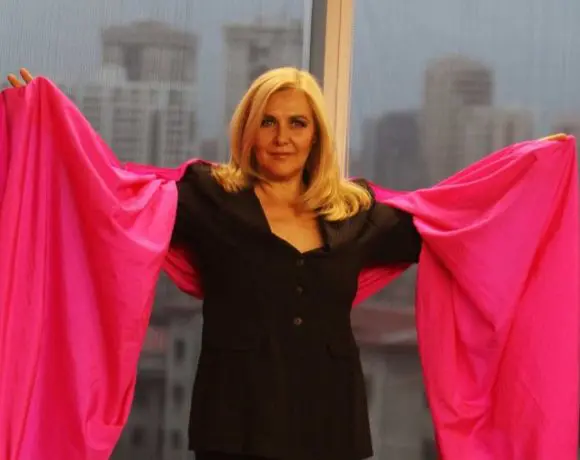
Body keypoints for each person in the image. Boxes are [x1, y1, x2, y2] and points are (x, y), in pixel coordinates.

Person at [6, 66, 419, 460]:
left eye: (297, 123)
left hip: (331, 428)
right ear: (248, 130)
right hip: (234, 427)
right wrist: (45, 124)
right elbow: (110, 200)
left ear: (316, 136)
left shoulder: (354, 211)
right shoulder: (209, 196)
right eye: (268, 122)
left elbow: (443, 228)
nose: (282, 138)